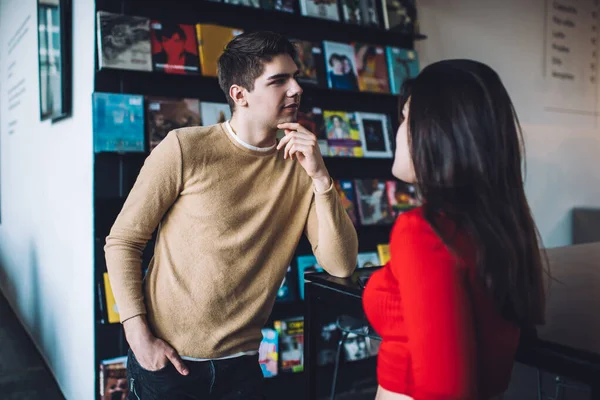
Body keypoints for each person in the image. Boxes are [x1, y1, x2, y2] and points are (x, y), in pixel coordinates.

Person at [104, 31, 358, 400]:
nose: (296, 89)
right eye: (279, 81)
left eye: (295, 77)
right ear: (240, 94)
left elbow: (341, 265)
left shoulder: (303, 163)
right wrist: (137, 335)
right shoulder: (184, 147)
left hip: (242, 367)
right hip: (169, 365)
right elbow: (123, 241)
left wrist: (321, 178)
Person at [362, 59, 546, 400]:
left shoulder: (423, 233)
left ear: (437, 131)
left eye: (405, 118)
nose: (398, 130)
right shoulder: (500, 227)